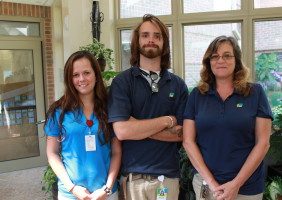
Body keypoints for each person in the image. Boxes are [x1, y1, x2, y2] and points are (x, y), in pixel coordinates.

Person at [108, 14, 188, 200]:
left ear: (164, 43)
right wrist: (167, 120)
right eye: (145, 35)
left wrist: (137, 127)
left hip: (167, 178)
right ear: (137, 41)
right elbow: (121, 131)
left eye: (157, 36)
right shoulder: (122, 83)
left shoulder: (178, 85)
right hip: (133, 178)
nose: (151, 39)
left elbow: (183, 133)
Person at [183, 36, 273, 200]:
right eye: (215, 56)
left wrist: (236, 183)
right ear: (209, 62)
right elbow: (188, 141)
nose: (220, 60)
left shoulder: (255, 93)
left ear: (236, 60)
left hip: (247, 186)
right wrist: (211, 183)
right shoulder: (197, 95)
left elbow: (263, 143)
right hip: (207, 186)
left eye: (227, 55)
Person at [44, 51, 121, 200]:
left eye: (87, 73)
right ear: (69, 78)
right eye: (75, 75)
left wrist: (107, 188)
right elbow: (52, 153)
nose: (82, 79)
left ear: (96, 75)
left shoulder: (110, 109)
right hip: (71, 194)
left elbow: (117, 152)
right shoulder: (58, 111)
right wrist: (72, 188)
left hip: (106, 193)